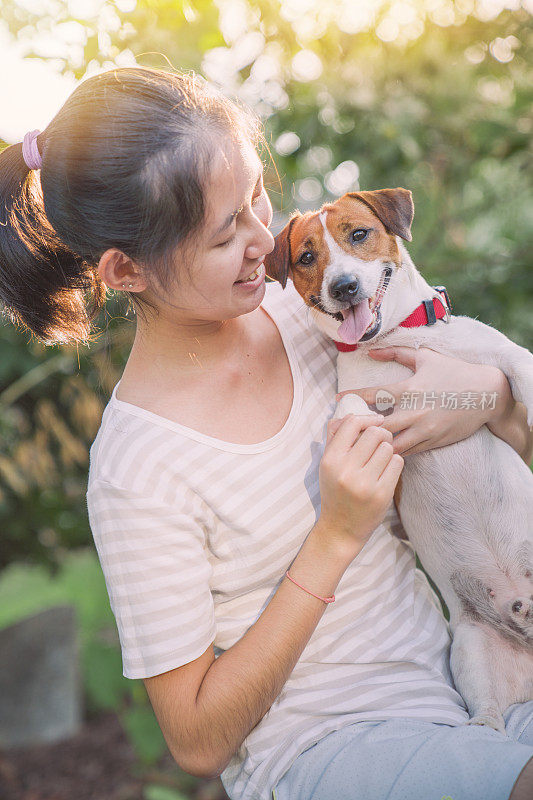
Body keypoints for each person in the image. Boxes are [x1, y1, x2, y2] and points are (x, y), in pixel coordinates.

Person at [0, 66, 532, 800]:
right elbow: (195, 741)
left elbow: (459, 391)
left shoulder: (309, 310)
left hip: (469, 668)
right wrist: (334, 538)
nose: (267, 239)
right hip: (326, 746)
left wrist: (489, 394)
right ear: (125, 270)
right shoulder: (139, 469)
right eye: (227, 234)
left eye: (256, 196)